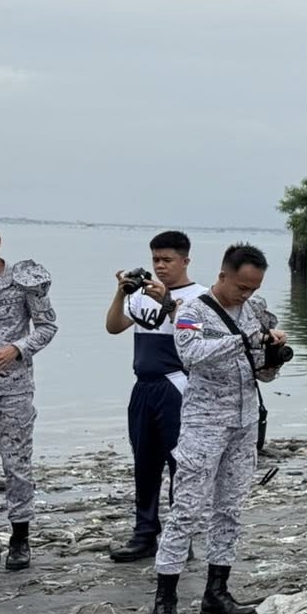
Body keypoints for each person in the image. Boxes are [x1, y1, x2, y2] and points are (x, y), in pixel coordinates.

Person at [150, 243, 288, 614]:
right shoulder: (193, 310)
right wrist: (244, 340)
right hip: (204, 424)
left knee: (229, 509)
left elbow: (262, 373)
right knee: (187, 511)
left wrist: (272, 357)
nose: (246, 294)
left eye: (254, 287)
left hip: (243, 424)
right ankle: (165, 600)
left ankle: (217, 592)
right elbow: (190, 354)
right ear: (223, 275)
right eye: (242, 287)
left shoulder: (255, 310)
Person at [104, 231, 204, 562]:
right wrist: (120, 294)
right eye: (155, 260)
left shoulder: (200, 297)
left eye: (167, 260)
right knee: (144, 462)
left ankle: (179, 536)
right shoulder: (141, 295)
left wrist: (167, 303)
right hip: (143, 385)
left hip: (175, 383)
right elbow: (113, 327)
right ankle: (144, 534)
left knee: (180, 463)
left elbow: (194, 341)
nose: (160, 267)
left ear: (185, 261)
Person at [0, 216, 57, 573]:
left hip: (14, 387)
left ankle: (20, 538)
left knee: (16, 464)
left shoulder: (24, 281)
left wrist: (17, 348)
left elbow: (47, 326)